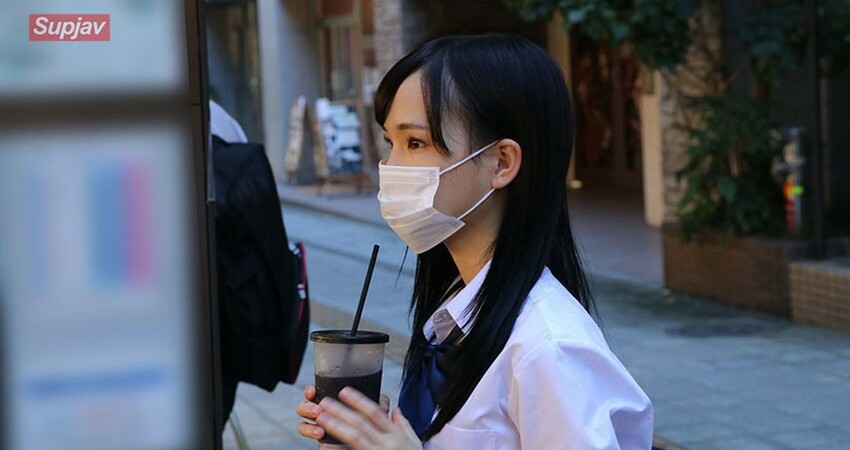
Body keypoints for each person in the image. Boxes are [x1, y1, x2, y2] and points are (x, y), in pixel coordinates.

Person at [296, 34, 654, 449]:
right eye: (391, 143)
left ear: (501, 163)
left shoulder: (549, 347)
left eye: (416, 142)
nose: (391, 166)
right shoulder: (453, 312)